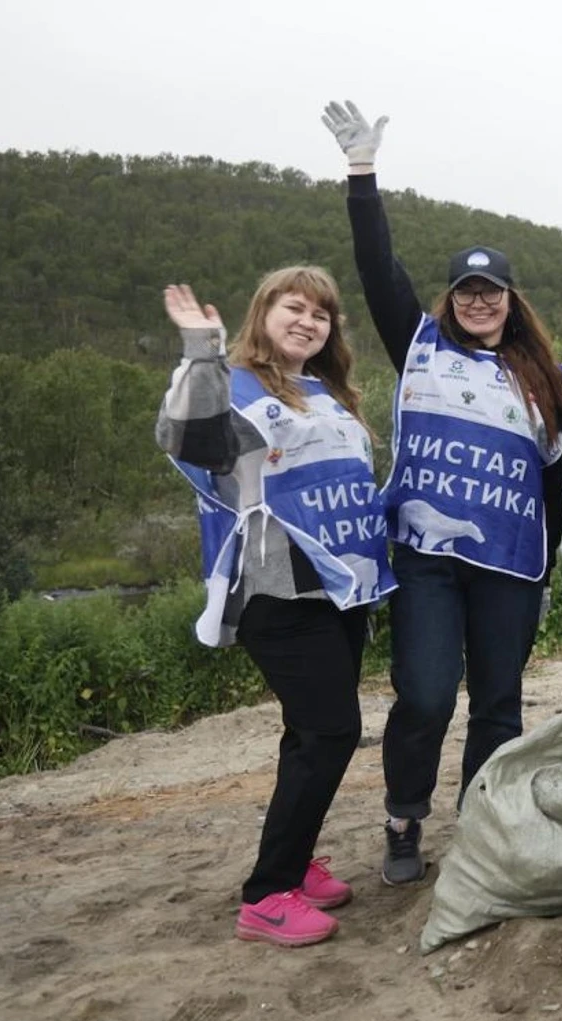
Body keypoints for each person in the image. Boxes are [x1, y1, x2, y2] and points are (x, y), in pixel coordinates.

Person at [325, 101, 562, 886]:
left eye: (489, 290)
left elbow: (553, 481)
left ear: (509, 297)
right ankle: (404, 815)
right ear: (452, 298)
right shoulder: (420, 342)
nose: (477, 301)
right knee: (428, 693)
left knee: (498, 702)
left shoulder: (540, 377)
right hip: (427, 556)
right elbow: (376, 271)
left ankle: (486, 823)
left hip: (508, 562)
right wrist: (363, 175)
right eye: (465, 290)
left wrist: (547, 565)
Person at [156, 269, 396, 947]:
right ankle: (267, 896)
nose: (308, 322)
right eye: (294, 308)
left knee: (308, 733)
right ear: (262, 314)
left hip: (339, 590)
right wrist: (201, 350)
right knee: (331, 731)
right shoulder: (234, 387)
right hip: (276, 588)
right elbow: (189, 439)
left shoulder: (330, 394)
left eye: (322, 315)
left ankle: (295, 864)